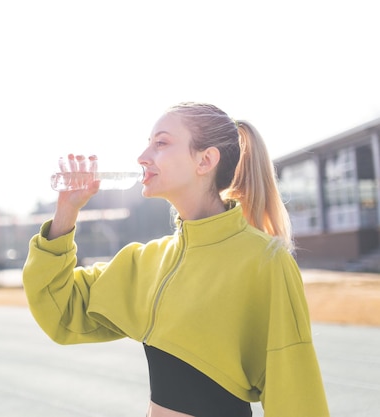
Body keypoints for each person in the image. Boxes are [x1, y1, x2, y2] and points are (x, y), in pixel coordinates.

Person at [22, 102, 330, 416]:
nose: (143, 157)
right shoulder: (146, 261)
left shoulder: (264, 260)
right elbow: (61, 311)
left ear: (206, 160)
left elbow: (295, 390)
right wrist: (66, 212)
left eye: (161, 143)